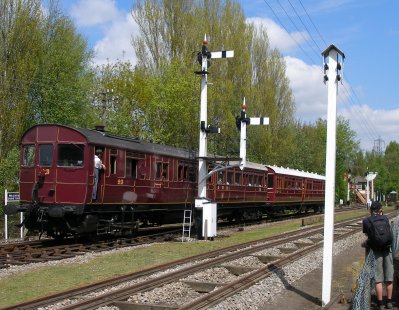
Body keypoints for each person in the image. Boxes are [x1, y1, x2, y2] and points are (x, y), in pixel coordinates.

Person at [362, 201, 393, 310]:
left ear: (370, 210)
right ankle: (389, 302)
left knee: (378, 278)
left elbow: (368, 235)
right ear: (380, 210)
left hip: (376, 252)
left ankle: (380, 304)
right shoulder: (386, 218)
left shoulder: (366, 221)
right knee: (389, 278)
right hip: (387, 250)